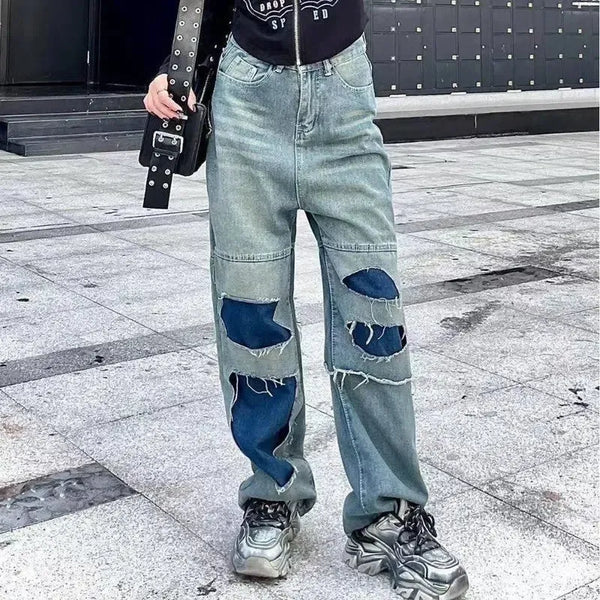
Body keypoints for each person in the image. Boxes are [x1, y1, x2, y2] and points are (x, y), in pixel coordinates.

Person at [144, 1, 469, 598]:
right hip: (246, 101)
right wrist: (175, 67)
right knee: (250, 310)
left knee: (374, 308)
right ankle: (273, 494)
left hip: (342, 94)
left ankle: (389, 513)